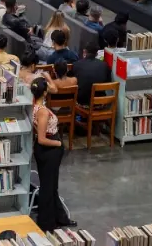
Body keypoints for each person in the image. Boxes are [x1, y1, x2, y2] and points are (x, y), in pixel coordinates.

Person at [29, 77, 73, 231]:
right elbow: (42, 139)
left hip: (45, 150)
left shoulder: (34, 107)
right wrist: (58, 144)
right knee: (48, 187)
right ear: (44, 92)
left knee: (52, 185)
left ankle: (60, 217)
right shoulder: (43, 112)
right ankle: (46, 222)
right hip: (49, 149)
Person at [74, 44, 113, 108]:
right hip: (99, 102)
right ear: (96, 54)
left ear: (85, 52)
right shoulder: (104, 65)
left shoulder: (76, 64)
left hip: (82, 102)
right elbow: (108, 83)